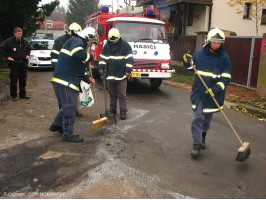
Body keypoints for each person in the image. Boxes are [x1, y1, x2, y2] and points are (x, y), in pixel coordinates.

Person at [49, 27, 97, 143]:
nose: (90, 46)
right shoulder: (78, 41)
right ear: (87, 38)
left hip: (64, 80)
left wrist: (87, 78)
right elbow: (77, 54)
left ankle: (56, 125)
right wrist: (89, 57)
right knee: (70, 107)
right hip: (66, 81)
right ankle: (68, 135)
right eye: (91, 43)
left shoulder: (76, 42)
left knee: (66, 106)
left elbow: (78, 67)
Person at [189, 27, 231, 158]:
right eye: (214, 42)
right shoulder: (198, 55)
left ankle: (202, 137)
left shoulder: (225, 59)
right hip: (200, 94)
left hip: (214, 95)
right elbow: (191, 68)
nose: (216, 44)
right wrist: (186, 62)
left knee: (207, 120)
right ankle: (196, 145)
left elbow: (226, 79)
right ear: (209, 41)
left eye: (219, 42)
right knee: (198, 118)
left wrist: (215, 89)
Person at [98, 28, 133, 120]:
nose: (113, 42)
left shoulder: (126, 46)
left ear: (119, 37)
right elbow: (102, 57)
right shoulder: (107, 45)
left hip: (121, 75)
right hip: (110, 74)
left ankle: (123, 111)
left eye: (115, 40)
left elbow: (129, 59)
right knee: (112, 94)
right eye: (112, 40)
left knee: (122, 95)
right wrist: (101, 67)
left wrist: (128, 70)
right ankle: (112, 110)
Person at [50, 22, 83, 117]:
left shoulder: (78, 41)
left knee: (74, 92)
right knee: (63, 95)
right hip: (62, 72)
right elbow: (54, 55)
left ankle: (74, 110)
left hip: (73, 72)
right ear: (69, 33)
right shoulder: (61, 41)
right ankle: (63, 113)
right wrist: (57, 67)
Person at [0, 27, 31, 102]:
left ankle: (22, 94)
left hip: (23, 63)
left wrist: (27, 55)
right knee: (14, 80)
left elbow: (28, 49)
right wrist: (7, 57)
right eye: (18, 34)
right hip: (14, 63)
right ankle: (13, 95)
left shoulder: (23, 42)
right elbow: (1, 48)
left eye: (21, 34)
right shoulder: (9, 41)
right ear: (15, 33)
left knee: (23, 80)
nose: (20, 35)